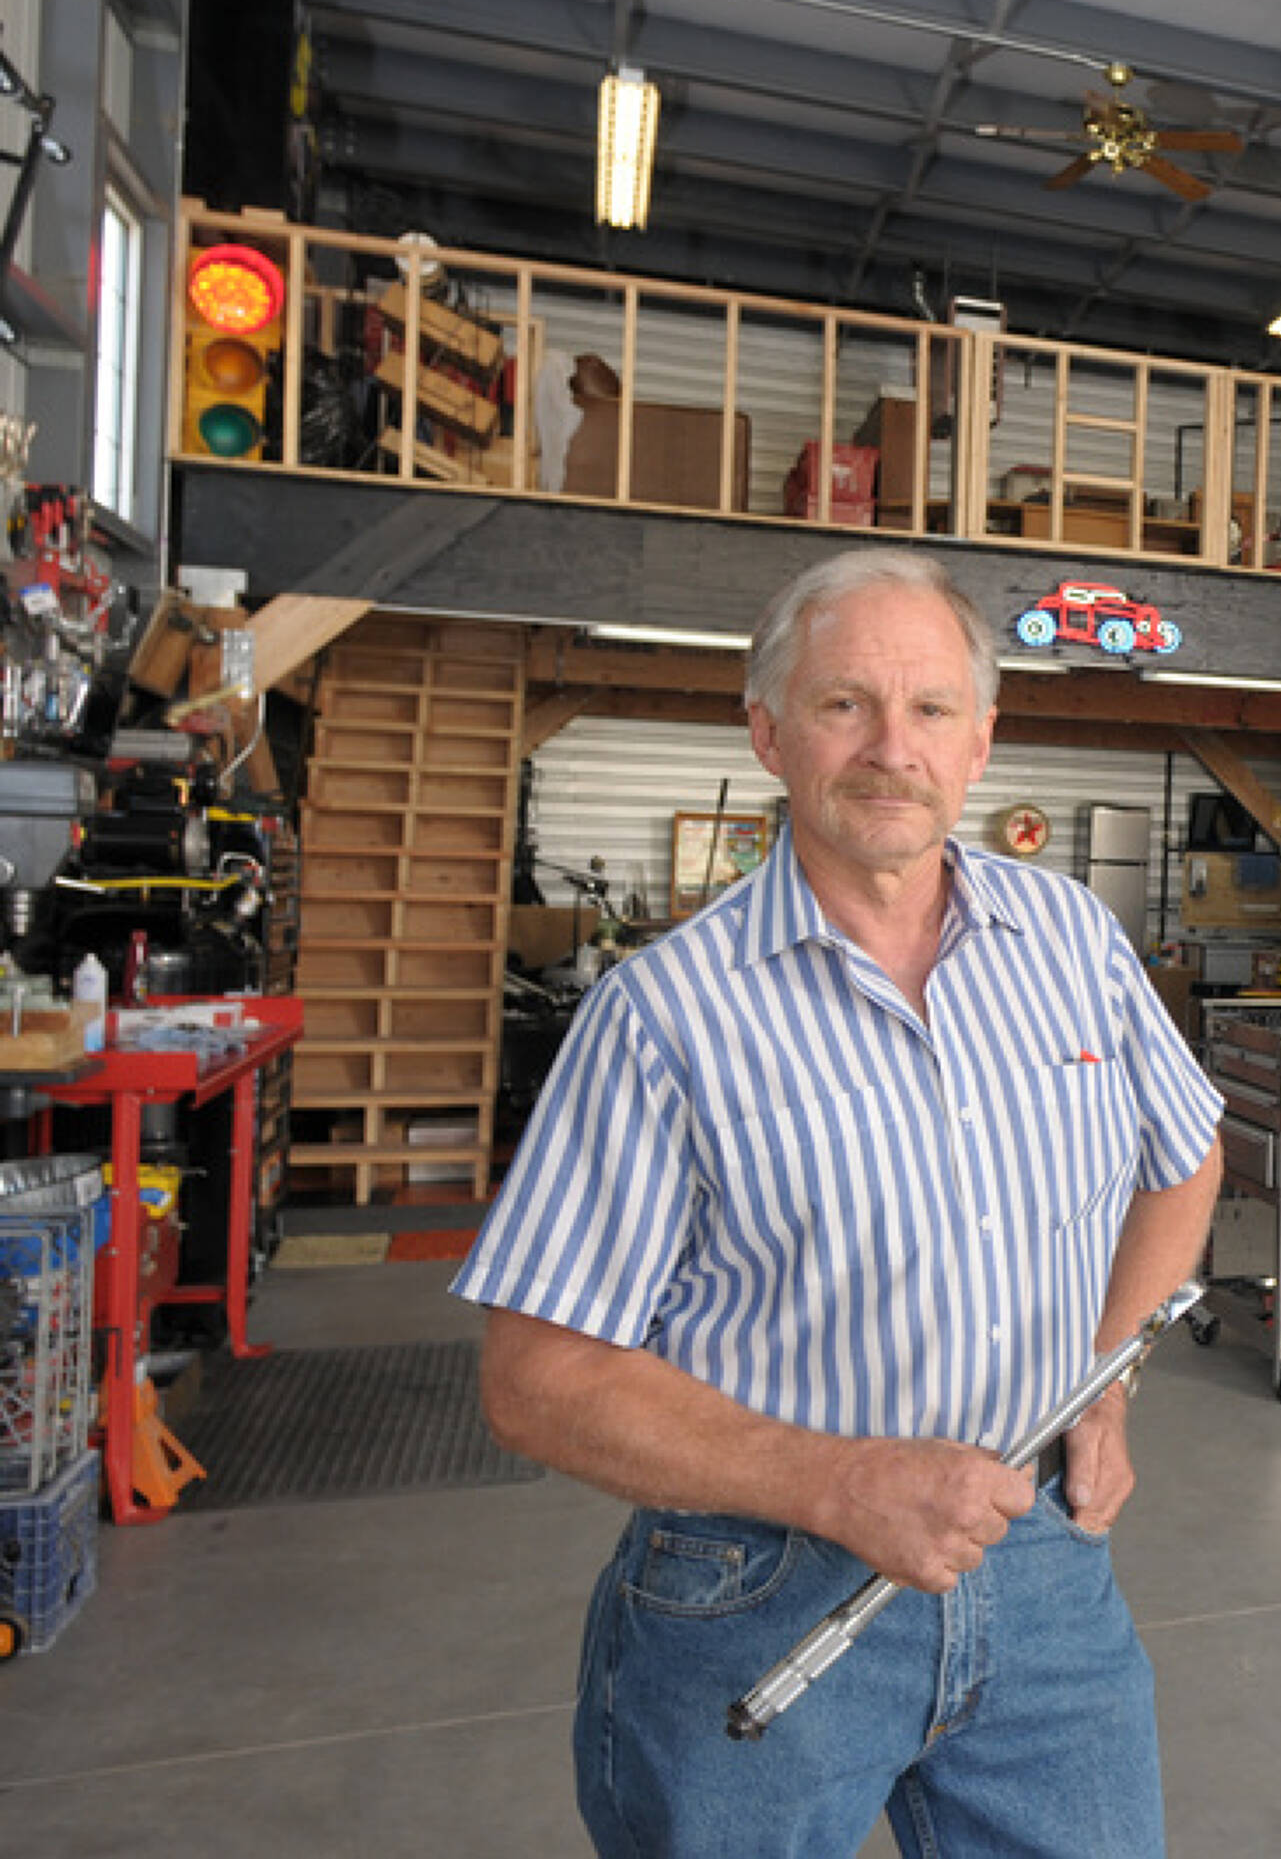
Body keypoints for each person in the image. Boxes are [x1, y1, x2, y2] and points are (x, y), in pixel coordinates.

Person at [455, 548, 1223, 1858]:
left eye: (930, 708)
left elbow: (1183, 1155)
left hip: (1040, 1566)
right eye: (844, 704)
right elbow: (535, 1378)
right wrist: (840, 1480)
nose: (891, 748)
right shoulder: (663, 1017)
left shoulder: (1075, 943)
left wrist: (1101, 1387)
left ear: (981, 741)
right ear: (770, 733)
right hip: (756, 1589)